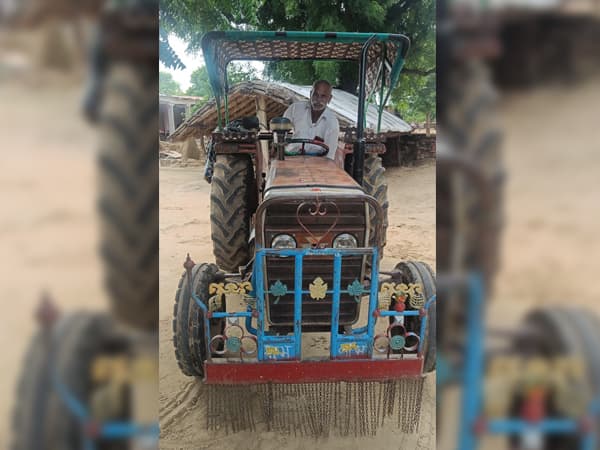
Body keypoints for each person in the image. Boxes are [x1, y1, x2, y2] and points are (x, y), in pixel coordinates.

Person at [283, 79, 340, 159]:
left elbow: (329, 156)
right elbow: (280, 131)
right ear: (310, 94)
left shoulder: (332, 122)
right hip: (292, 156)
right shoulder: (295, 109)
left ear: (329, 99)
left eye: (323, 96)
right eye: (315, 95)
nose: (318, 100)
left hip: (317, 162)